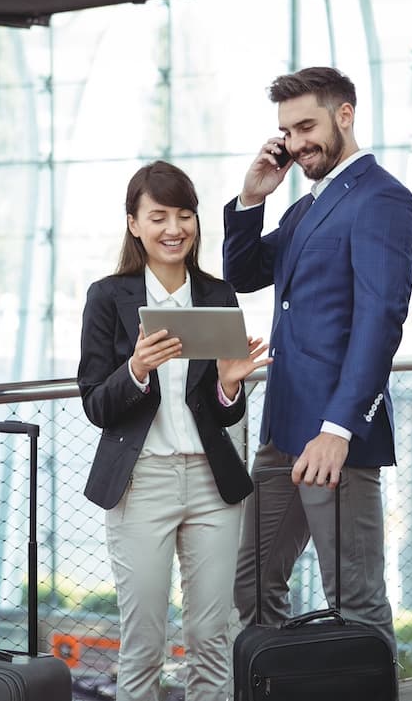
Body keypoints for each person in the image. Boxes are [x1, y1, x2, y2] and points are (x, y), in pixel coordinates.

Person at [223, 66, 412, 650]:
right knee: (254, 588)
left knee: (354, 601)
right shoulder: (306, 208)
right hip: (282, 430)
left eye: (306, 125)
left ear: (345, 115)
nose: (296, 141)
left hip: (334, 439)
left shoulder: (383, 200)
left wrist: (338, 429)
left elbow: (379, 322)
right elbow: (245, 272)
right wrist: (252, 198)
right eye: (286, 130)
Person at [77, 160, 270, 701]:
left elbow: (224, 413)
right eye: (158, 216)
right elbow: (96, 403)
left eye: (184, 215)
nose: (173, 228)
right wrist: (136, 370)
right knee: (143, 642)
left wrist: (232, 386)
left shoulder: (217, 294)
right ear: (134, 224)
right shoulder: (108, 297)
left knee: (212, 637)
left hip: (213, 486)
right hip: (142, 484)